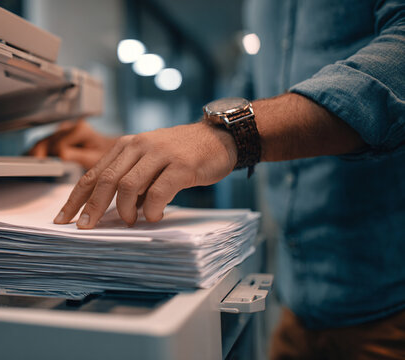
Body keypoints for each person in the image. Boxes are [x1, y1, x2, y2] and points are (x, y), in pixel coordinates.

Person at [29, 0, 405, 358]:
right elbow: (240, 101)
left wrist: (226, 137)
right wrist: (124, 152)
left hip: (389, 310)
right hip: (296, 304)